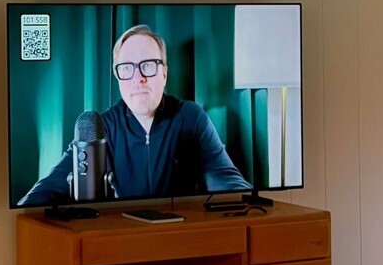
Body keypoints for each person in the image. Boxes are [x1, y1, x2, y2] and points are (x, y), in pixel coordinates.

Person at [19, 24, 251, 207]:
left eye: (148, 65)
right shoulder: (102, 127)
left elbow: (227, 180)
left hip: (183, 238)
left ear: (164, 73)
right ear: (118, 77)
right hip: (122, 242)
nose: (138, 78)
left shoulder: (191, 118)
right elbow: (47, 190)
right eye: (127, 67)